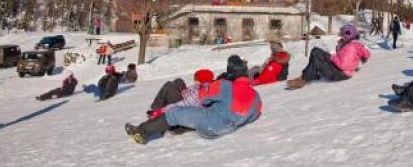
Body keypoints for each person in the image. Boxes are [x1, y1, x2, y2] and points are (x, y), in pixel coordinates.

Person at [125, 56, 262, 144]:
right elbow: (253, 116)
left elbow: (203, 98)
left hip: (210, 126)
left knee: (175, 112)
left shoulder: (225, 85)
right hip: (230, 127)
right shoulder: (256, 96)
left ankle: (142, 131)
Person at [286, 24, 371, 89]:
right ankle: (310, 74)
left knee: (316, 53)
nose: (341, 36)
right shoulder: (351, 44)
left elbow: (343, 65)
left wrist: (331, 57)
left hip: (339, 74)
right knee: (316, 52)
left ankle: (305, 79)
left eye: (342, 34)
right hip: (340, 71)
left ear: (348, 35)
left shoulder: (350, 47)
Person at [147, 69, 215, 119]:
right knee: (178, 81)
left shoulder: (200, 92)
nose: (194, 80)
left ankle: (156, 111)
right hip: (187, 98)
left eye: (196, 78)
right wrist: (183, 91)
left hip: (185, 109)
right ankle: (157, 107)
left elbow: (181, 104)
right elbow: (190, 91)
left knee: (170, 87)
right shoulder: (203, 85)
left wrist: (160, 111)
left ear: (202, 79)